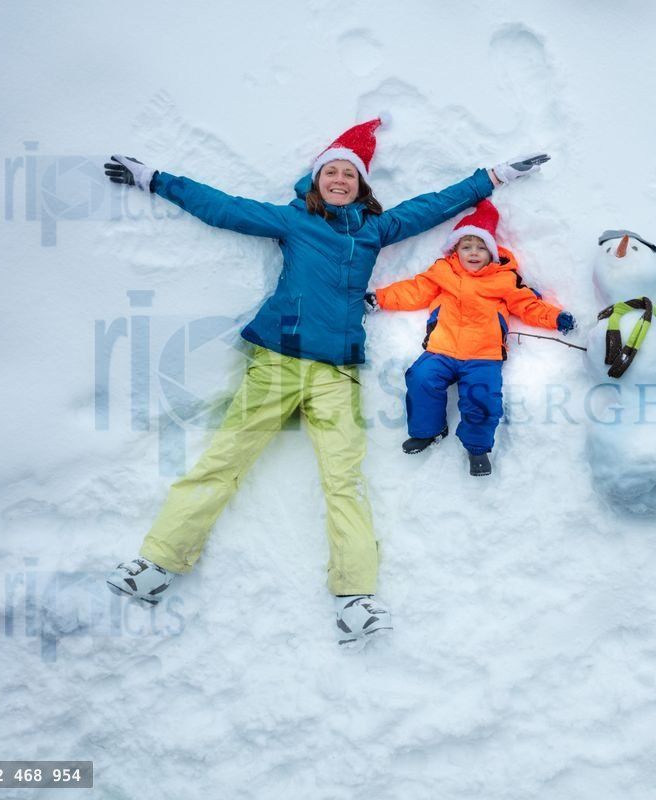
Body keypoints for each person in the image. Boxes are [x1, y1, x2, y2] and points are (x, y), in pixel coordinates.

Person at [103, 116, 549, 646]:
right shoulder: (294, 223)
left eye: (350, 175)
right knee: (223, 462)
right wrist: (155, 179)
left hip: (337, 372)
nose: (340, 180)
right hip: (276, 362)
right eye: (331, 172)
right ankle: (157, 564)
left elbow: (430, 206)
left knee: (345, 480)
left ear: (362, 187)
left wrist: (492, 177)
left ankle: (355, 598)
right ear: (315, 182)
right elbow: (222, 207)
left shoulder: (374, 230)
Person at [367, 199, 575, 476]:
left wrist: (555, 318)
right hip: (441, 349)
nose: (474, 253)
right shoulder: (443, 272)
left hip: (483, 355)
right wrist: (380, 298)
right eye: (467, 247)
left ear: (491, 252)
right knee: (421, 378)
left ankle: (477, 447)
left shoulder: (504, 279)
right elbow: (413, 290)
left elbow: (528, 305)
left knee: (482, 397)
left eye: (480, 247)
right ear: (456, 250)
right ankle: (429, 430)